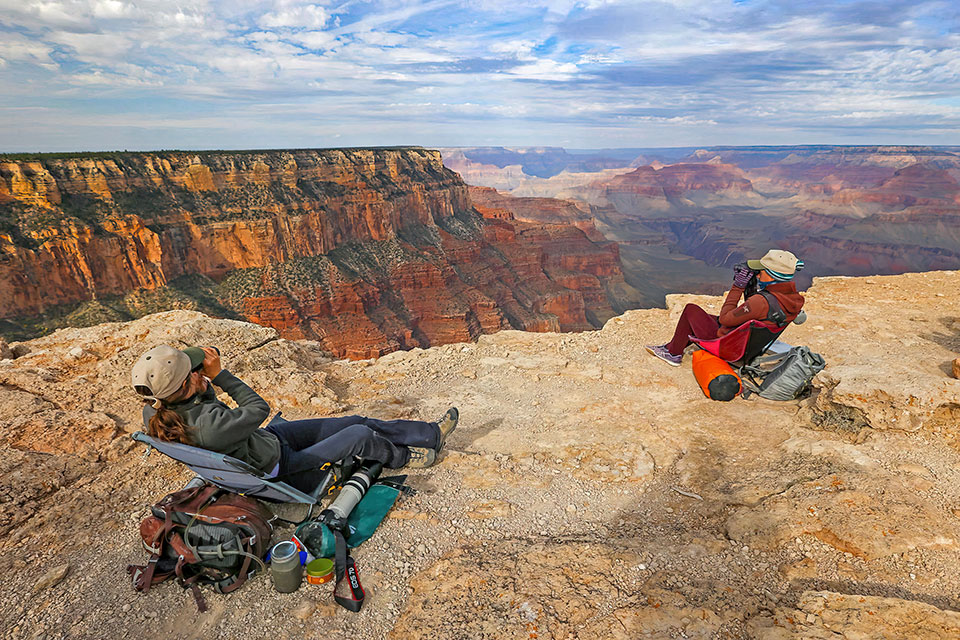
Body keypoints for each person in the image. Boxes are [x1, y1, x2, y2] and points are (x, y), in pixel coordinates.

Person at [131, 345, 458, 493]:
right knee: (358, 433)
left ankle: (430, 433)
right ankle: (403, 456)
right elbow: (257, 409)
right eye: (194, 371)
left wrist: (200, 384)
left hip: (267, 442)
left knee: (355, 420)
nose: (201, 370)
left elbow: (206, 408)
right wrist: (220, 376)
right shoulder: (211, 427)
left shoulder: (158, 410)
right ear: (185, 384)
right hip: (281, 465)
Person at [645, 249, 805, 366]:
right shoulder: (794, 299)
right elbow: (757, 311)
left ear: (770, 275)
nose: (757, 274)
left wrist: (738, 287)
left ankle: (673, 354)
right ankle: (671, 346)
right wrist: (754, 288)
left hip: (730, 347)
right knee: (704, 318)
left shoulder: (760, 302)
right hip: (749, 345)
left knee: (691, 310)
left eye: (761, 272)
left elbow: (725, 319)